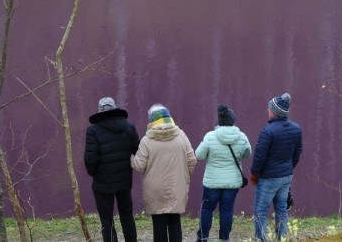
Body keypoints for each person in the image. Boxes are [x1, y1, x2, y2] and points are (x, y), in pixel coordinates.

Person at [132, 104, 197, 242]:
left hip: (155, 189)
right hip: (176, 186)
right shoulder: (181, 136)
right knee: (175, 221)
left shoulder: (146, 140)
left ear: (151, 121)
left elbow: (138, 166)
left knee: (158, 225)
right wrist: (184, 177)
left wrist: (130, 157)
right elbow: (192, 160)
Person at [84, 97, 140, 242]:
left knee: (107, 220)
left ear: (99, 111)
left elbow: (90, 160)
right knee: (127, 215)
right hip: (124, 181)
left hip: (102, 183)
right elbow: (137, 151)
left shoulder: (93, 131)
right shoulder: (129, 127)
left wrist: (94, 174)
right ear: (115, 108)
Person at [194, 104, 252, 241]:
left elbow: (199, 155)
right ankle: (224, 238)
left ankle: (203, 237)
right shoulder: (242, 137)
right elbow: (247, 154)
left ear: (219, 121)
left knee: (207, 209)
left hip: (212, 182)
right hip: (232, 182)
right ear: (233, 120)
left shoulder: (210, 136)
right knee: (227, 210)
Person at [250, 93, 302, 241]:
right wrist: (289, 168)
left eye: (269, 108)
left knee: (261, 210)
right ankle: (282, 238)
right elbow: (297, 152)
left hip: (268, 178)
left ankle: (261, 239)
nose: (268, 110)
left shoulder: (268, 131)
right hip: (286, 176)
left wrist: (254, 173)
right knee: (281, 209)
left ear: (274, 111)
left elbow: (259, 156)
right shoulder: (296, 128)